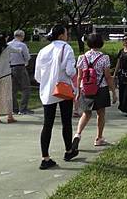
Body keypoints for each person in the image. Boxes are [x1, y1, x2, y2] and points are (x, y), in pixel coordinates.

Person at [34, 24, 77, 170]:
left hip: (47, 90)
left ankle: (45, 157)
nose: (67, 35)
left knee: (48, 124)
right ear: (61, 35)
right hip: (63, 88)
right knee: (66, 121)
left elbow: (37, 75)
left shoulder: (43, 50)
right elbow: (70, 70)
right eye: (66, 33)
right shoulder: (66, 48)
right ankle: (68, 150)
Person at [72, 33, 117, 150]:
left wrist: (77, 92)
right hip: (101, 88)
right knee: (100, 113)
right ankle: (99, 138)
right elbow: (108, 76)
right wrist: (113, 91)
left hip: (85, 89)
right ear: (101, 43)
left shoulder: (82, 57)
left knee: (86, 114)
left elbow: (79, 76)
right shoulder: (104, 58)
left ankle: (78, 134)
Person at [8, 29, 32, 115]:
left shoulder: (8, 45)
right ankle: (23, 108)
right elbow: (27, 56)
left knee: (13, 89)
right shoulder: (22, 45)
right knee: (26, 88)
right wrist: (26, 61)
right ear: (21, 36)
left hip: (10, 67)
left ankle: (14, 108)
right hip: (20, 66)